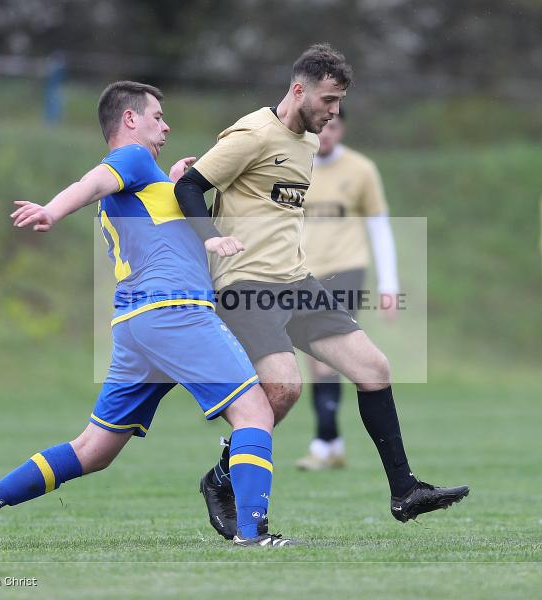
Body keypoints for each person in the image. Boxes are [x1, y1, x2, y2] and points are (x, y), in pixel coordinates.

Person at [0, 81, 293, 548]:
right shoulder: (132, 160)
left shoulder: (148, 179)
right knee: (255, 413)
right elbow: (95, 180)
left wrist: (175, 179)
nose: (166, 126)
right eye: (157, 116)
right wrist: (53, 209)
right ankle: (252, 535)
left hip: (135, 326)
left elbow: (153, 213)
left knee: (93, 450)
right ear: (129, 120)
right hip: (174, 311)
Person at [174, 44, 468, 540]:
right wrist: (212, 239)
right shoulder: (251, 134)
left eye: (339, 103)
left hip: (296, 282)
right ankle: (230, 488)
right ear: (298, 90)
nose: (334, 113)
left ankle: (405, 491)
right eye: (329, 101)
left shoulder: (307, 143)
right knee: (284, 391)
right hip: (245, 284)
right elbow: (189, 187)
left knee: (374, 369)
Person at [294, 110, 400, 471]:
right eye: (322, 126)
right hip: (306, 272)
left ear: (342, 129)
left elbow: (379, 226)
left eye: (333, 126)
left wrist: (389, 284)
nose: (326, 133)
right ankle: (331, 442)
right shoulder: (297, 164)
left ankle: (324, 443)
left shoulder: (361, 170)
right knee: (317, 361)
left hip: (347, 269)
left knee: (330, 355)